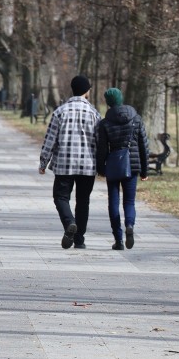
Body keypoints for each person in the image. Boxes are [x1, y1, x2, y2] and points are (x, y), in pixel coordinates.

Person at [39, 75, 101, 249]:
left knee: (60, 197)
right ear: (87, 91)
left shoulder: (60, 111)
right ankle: (79, 240)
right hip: (87, 166)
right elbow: (99, 141)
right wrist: (102, 164)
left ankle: (69, 223)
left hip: (64, 164)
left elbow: (50, 139)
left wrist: (44, 162)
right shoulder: (94, 113)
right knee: (83, 201)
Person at [96, 88, 149, 250]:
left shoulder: (105, 123)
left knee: (113, 201)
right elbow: (143, 146)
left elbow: (102, 149)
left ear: (108, 103)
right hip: (132, 166)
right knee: (129, 201)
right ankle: (130, 225)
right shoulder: (136, 119)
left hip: (113, 166)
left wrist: (101, 168)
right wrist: (144, 170)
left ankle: (118, 240)